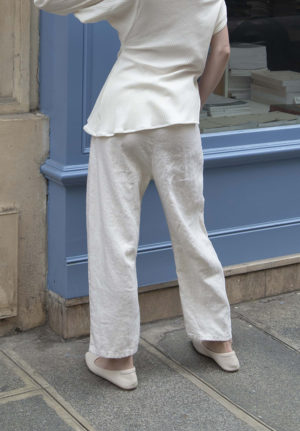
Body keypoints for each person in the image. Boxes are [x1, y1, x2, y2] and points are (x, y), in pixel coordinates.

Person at [33, 0, 240, 390]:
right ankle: (218, 339)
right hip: (179, 118)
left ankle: (116, 357)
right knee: (191, 229)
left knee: (115, 236)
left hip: (124, 117)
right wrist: (193, 101)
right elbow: (223, 50)